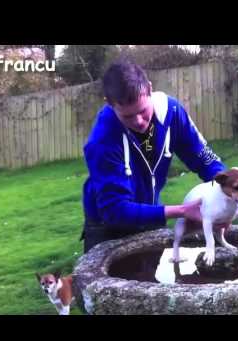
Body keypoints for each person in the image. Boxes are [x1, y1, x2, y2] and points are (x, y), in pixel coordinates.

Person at [80, 60, 226, 253]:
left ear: (149, 89)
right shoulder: (101, 140)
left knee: (154, 279)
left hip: (149, 214)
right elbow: (114, 210)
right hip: (107, 227)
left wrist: (227, 189)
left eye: (142, 111)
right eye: (128, 116)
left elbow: (205, 160)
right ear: (109, 103)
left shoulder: (173, 113)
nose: (139, 121)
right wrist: (181, 211)